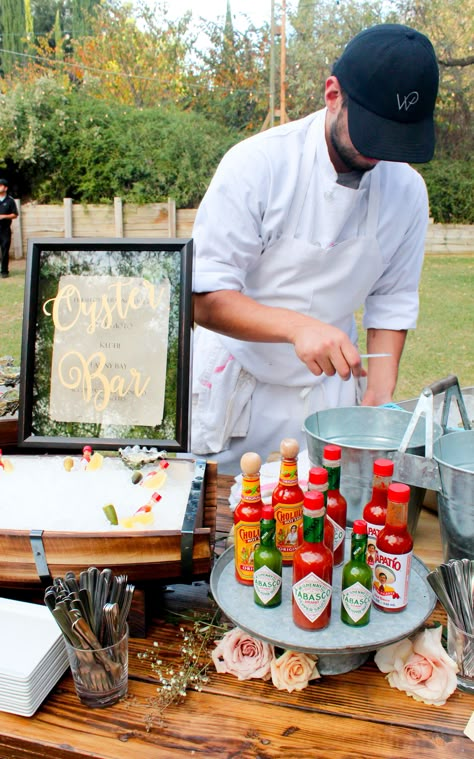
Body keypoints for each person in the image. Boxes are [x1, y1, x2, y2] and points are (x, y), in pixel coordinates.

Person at [191, 24, 439, 474]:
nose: (382, 153)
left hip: (324, 400)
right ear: (333, 94)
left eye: (397, 139)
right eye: (373, 131)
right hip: (237, 391)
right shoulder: (258, 165)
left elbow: (392, 301)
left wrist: (379, 397)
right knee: (225, 521)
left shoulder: (408, 193)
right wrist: (297, 328)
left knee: (316, 527)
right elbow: (203, 299)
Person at [0, 179, 18, 279]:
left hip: (5, 230)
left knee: (5, 250)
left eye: (1, 185)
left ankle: (4, 271)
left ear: (5, 188)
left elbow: (15, 214)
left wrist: (4, 216)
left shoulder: (10, 201)